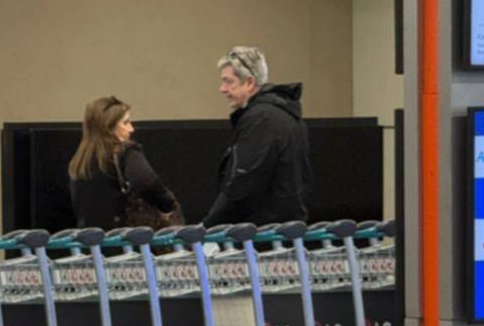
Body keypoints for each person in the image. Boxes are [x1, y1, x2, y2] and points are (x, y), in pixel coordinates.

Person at [203, 46, 311, 228]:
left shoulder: (260, 119)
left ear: (249, 83)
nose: (222, 89)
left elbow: (243, 181)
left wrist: (209, 225)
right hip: (289, 228)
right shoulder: (288, 114)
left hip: (261, 231)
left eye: (228, 82)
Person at [69, 96, 181, 230]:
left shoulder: (79, 161)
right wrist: (167, 206)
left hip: (90, 238)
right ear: (109, 127)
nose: (131, 129)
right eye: (126, 123)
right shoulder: (125, 151)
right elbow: (146, 180)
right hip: (123, 235)